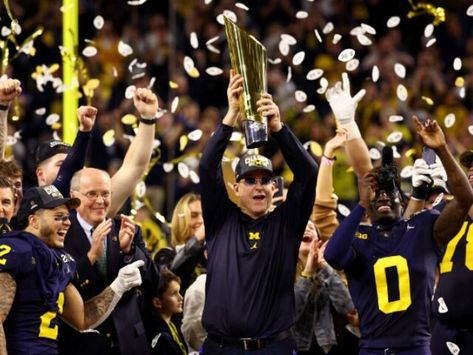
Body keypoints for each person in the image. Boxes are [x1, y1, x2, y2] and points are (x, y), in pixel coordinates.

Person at [324, 117, 473, 355]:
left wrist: (442, 149)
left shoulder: (423, 227)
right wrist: (361, 203)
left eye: (389, 192)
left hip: (415, 347)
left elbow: (465, 198)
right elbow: (332, 255)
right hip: (372, 347)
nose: (382, 197)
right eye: (376, 194)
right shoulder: (359, 235)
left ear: (401, 201)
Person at [198, 70, 318, 354]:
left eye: (265, 180)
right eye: (250, 180)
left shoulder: (286, 224)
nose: (259, 186)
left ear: (274, 188)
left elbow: (308, 173)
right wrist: (230, 116)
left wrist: (278, 127)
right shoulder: (220, 219)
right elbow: (206, 167)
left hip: (273, 347)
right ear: (235, 188)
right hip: (220, 348)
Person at [0, 184, 144, 354]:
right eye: (59, 217)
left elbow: (82, 318)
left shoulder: (59, 259)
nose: (67, 222)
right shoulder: (16, 250)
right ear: (34, 221)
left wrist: (119, 285)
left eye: (67, 217)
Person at [59, 167, 157, 355]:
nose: (100, 201)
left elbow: (154, 281)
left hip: (129, 343)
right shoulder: (61, 232)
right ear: (73, 196)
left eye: (105, 194)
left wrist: (129, 251)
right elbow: (59, 286)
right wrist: (90, 257)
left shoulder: (127, 228)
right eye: (92, 194)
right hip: (83, 345)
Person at [430, 149, 473, 355]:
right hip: (444, 330)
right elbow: (408, 232)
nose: (471, 170)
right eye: (470, 166)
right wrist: (418, 196)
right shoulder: (446, 211)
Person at [293, 220, 356, 355]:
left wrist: (324, 267)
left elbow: (347, 307)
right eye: (302, 227)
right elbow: (291, 312)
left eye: (311, 228)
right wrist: (308, 273)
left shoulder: (331, 270)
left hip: (330, 347)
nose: (307, 230)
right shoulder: (283, 274)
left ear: (319, 241)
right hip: (296, 347)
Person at [170, 193, 206, 294]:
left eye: (204, 215)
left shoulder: (212, 254)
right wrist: (197, 239)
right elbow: (173, 276)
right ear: (180, 220)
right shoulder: (166, 254)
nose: (201, 220)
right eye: (194, 215)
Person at [147, 268, 187, 355]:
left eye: (179, 292)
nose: (181, 298)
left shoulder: (172, 323)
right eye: (174, 293)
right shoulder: (162, 339)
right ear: (157, 302)